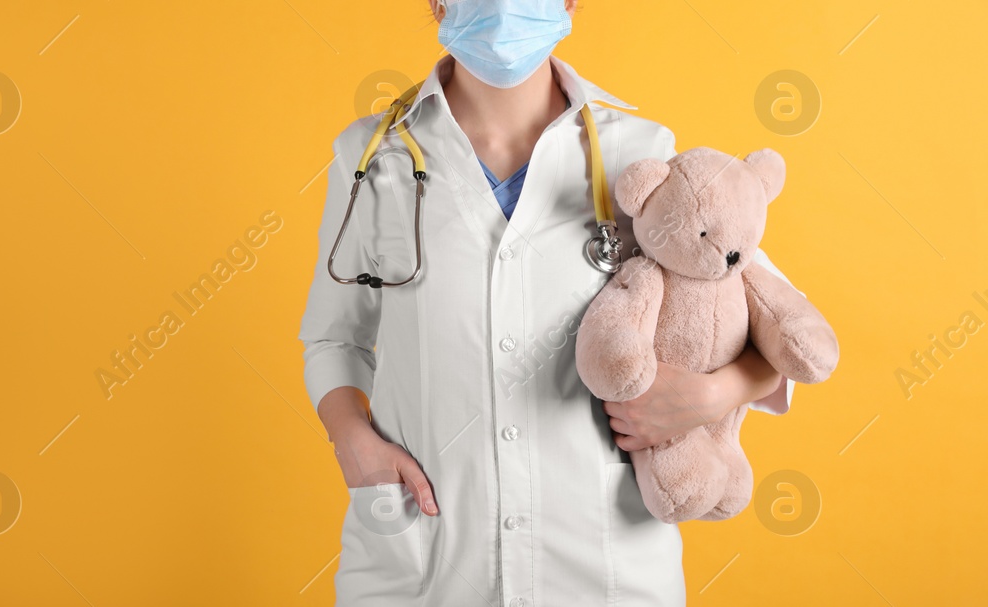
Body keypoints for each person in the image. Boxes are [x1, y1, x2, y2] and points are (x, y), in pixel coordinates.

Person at [299, 1, 796, 604]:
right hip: (426, 557)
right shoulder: (372, 157)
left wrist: (714, 394)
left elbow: (771, 319)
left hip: (604, 562)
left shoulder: (642, 153)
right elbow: (335, 336)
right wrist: (350, 437)